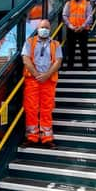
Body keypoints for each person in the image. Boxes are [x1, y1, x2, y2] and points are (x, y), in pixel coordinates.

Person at [21, 19, 63, 149]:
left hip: (48, 81)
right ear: (38, 29)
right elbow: (25, 59)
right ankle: (31, 137)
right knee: (31, 108)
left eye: (46, 27)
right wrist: (36, 74)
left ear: (50, 30)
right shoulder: (30, 41)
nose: (44, 29)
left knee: (47, 109)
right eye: (42, 27)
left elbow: (58, 61)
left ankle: (47, 138)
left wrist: (46, 75)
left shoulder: (56, 44)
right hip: (32, 80)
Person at [62, 0, 93, 70]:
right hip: (71, 29)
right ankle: (70, 65)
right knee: (71, 48)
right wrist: (71, 26)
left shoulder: (87, 3)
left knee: (83, 48)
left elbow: (90, 16)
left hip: (83, 29)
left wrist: (82, 26)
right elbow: (64, 16)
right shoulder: (68, 3)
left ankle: (85, 66)